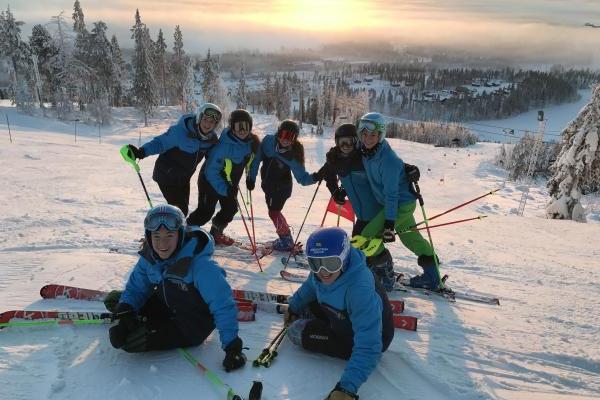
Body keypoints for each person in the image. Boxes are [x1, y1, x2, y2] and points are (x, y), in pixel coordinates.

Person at [107, 204, 246, 373]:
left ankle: (149, 325)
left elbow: (222, 305)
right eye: (156, 236)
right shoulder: (150, 256)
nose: (162, 243)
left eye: (169, 235)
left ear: (180, 235)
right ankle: (141, 319)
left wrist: (232, 346)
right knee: (116, 300)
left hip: (191, 325)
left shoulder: (201, 266)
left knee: (129, 342)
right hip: (168, 303)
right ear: (148, 236)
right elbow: (137, 287)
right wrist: (126, 311)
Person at [284, 227, 394, 400]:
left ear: (343, 258)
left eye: (331, 263)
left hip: (366, 339)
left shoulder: (359, 290)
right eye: (315, 263)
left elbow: (370, 346)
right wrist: (293, 306)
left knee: (295, 331)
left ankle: (324, 327)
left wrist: (346, 389)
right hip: (341, 316)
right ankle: (325, 320)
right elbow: (311, 286)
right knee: (305, 306)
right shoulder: (322, 272)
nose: (323, 272)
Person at [357, 112, 440, 290]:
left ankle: (384, 275)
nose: (368, 138)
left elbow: (392, 195)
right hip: (399, 204)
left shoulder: (388, 160)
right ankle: (433, 276)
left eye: (373, 135)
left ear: (381, 135)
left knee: (366, 237)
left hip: (399, 206)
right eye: (364, 134)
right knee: (411, 238)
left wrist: (388, 224)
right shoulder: (366, 150)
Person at [318, 124, 396, 287]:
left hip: (376, 212)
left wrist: (408, 169)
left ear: (357, 141)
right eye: (342, 142)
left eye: (350, 142)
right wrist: (336, 191)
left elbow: (388, 165)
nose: (346, 146)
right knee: (358, 247)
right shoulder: (335, 159)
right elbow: (329, 175)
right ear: (337, 143)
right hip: (361, 215)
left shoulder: (365, 157)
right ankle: (369, 270)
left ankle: (385, 273)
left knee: (370, 245)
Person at [125, 103, 222, 216]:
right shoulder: (181, 132)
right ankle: (162, 230)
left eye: (212, 122)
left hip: (184, 179)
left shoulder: (211, 139)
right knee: (180, 211)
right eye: (205, 119)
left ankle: (177, 232)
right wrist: (141, 152)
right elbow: (160, 143)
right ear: (199, 117)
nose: (208, 124)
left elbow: (214, 155)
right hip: (166, 176)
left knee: (182, 212)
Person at [186, 109, 260, 245]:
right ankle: (183, 232)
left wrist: (251, 177)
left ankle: (216, 233)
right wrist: (226, 190)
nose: (243, 130)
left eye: (246, 126)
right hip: (209, 182)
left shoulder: (251, 144)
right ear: (232, 128)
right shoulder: (223, 147)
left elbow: (253, 161)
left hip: (229, 185)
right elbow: (211, 172)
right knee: (205, 212)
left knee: (230, 208)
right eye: (239, 127)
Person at [246, 119, 321, 251]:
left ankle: (285, 240)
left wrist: (316, 177)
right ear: (278, 133)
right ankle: (286, 238)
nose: (286, 139)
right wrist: (251, 177)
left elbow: (302, 178)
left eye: (291, 137)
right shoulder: (268, 142)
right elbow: (257, 159)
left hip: (282, 189)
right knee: (275, 212)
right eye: (284, 135)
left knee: (273, 212)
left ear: (295, 139)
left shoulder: (293, 155)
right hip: (268, 186)